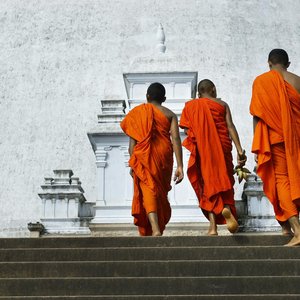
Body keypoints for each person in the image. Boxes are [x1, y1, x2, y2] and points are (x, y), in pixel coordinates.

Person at [179, 79, 246, 235]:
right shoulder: (222, 105)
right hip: (223, 147)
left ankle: (213, 227)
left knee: (207, 183)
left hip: (203, 150)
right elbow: (230, 126)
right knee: (225, 179)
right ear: (213, 89)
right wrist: (239, 149)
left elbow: (187, 131)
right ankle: (227, 208)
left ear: (198, 93)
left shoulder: (191, 106)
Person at [250, 49, 300, 246]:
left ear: (269, 62)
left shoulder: (262, 81)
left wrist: (258, 144)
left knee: (282, 182)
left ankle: (297, 229)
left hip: (275, 140)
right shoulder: (297, 81)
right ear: (288, 63)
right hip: (296, 139)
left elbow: (257, 114)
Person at [120, 82, 184, 236]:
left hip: (144, 157)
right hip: (164, 156)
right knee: (159, 192)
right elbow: (176, 139)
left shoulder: (138, 113)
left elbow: (132, 145)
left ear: (147, 97)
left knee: (149, 189)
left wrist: (134, 163)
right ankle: (157, 228)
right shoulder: (170, 115)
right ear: (164, 98)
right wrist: (180, 166)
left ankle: (155, 229)